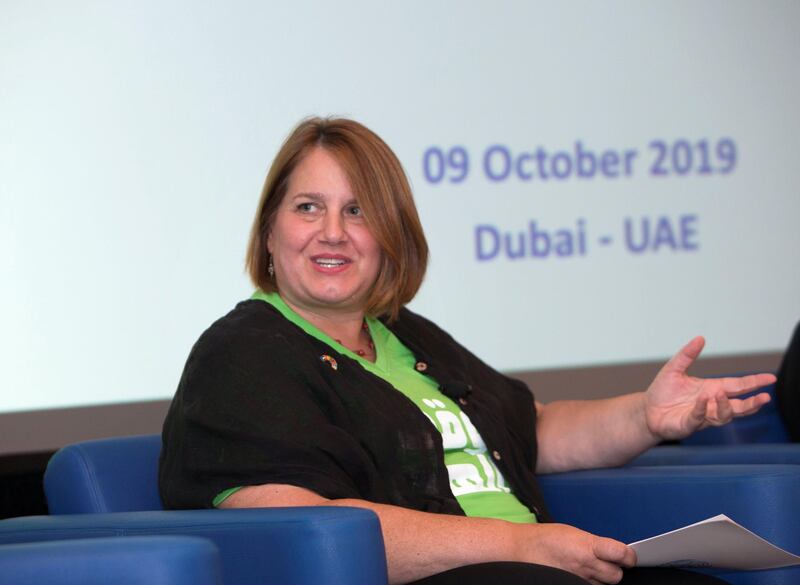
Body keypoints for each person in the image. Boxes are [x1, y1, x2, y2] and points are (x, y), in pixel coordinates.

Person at [159, 117, 775, 585]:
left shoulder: (408, 335)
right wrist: (519, 545)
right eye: (308, 208)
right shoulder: (240, 356)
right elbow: (304, 529)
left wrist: (647, 415)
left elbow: (537, 431)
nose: (333, 232)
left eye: (358, 210)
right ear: (269, 231)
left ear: (389, 236)